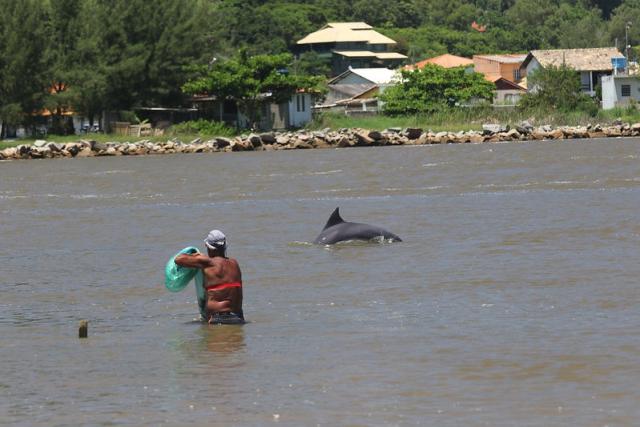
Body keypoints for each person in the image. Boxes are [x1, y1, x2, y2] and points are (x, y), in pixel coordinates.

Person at [174, 230, 244, 324]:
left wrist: (197, 255)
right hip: (238, 317)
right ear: (224, 246)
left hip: (217, 319)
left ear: (209, 247)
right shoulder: (235, 263)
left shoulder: (207, 262)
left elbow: (178, 259)